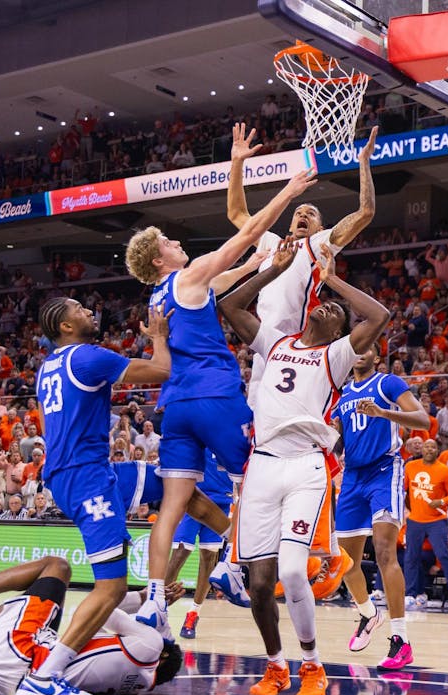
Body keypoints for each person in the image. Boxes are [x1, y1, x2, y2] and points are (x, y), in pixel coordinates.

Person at [126, 136, 317, 637]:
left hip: (176, 407)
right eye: (168, 242)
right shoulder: (187, 277)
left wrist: (259, 266)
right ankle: (246, 562)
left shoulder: (163, 298)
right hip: (214, 397)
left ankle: (152, 602)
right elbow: (248, 231)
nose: (176, 242)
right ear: (158, 259)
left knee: (174, 503)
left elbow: (231, 270)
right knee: (260, 477)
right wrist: (288, 191)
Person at [218, 241, 389, 695]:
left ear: (339, 333)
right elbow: (228, 304)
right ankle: (276, 666)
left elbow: (378, 318)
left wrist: (331, 279)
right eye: (325, 301)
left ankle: (313, 666)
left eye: (336, 309)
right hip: (263, 466)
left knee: (293, 571)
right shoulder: (275, 342)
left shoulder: (336, 357)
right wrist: (270, 271)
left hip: (306, 466)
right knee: (257, 583)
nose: (330, 306)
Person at [0, 299, 172, 695]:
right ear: (66, 325)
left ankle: (228, 553)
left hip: (77, 472)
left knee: (174, 484)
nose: (91, 312)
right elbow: (161, 371)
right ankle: (46, 676)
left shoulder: (47, 366)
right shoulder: (87, 356)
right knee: (110, 587)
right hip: (86, 477)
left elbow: (50, 427)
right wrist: (158, 338)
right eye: (82, 310)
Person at [226, 126, 378, 408]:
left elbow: (365, 213)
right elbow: (236, 213)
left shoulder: (319, 245)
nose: (302, 215)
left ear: (320, 226)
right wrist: (237, 163)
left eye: (310, 214)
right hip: (263, 344)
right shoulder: (270, 242)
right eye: (298, 212)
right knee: (255, 424)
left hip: (298, 347)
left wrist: (364, 164)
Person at [0, 556, 183, 695]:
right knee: (36, 605)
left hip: (17, 658)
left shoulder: (151, 645)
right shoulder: (139, 686)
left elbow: (101, 607)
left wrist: (142, 597)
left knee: (57, 568)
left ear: (163, 655)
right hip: (9, 683)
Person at [332, 341, 429, 662]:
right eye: (354, 347)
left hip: (385, 471)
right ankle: (368, 613)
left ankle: (401, 639)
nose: (359, 352)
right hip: (352, 478)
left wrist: (384, 412)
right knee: (345, 562)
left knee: (386, 551)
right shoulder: (342, 394)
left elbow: (423, 419)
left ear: (377, 354)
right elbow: (336, 439)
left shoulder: (387, 383)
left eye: (367, 347)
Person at [166, 452, 234, 640]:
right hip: (195, 498)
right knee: (179, 552)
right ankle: (159, 609)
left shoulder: (236, 434)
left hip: (222, 502)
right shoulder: (203, 429)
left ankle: (193, 614)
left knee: (208, 558)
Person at [404, 439, 448, 620]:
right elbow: (403, 490)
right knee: (411, 557)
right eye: (426, 446)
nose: (429, 449)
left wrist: (441, 502)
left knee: (443, 555)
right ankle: (410, 595)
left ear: (437, 450)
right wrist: (408, 510)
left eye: (433, 447)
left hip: (437, 520)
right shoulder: (411, 466)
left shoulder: (444, 470)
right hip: (415, 520)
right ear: (423, 449)